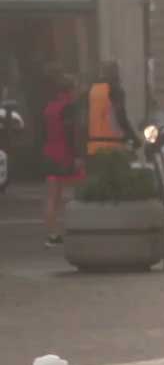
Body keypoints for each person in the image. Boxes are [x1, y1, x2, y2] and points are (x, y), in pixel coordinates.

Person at [41, 72, 84, 247]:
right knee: (79, 192)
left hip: (50, 152)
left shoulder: (49, 108)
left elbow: (43, 133)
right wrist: (76, 155)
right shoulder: (69, 107)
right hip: (64, 153)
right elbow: (70, 133)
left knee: (52, 197)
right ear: (70, 89)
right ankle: (78, 229)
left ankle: (52, 235)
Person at [86, 60, 140, 156]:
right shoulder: (115, 90)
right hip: (112, 146)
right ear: (115, 73)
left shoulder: (91, 90)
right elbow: (121, 117)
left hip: (93, 146)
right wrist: (134, 138)